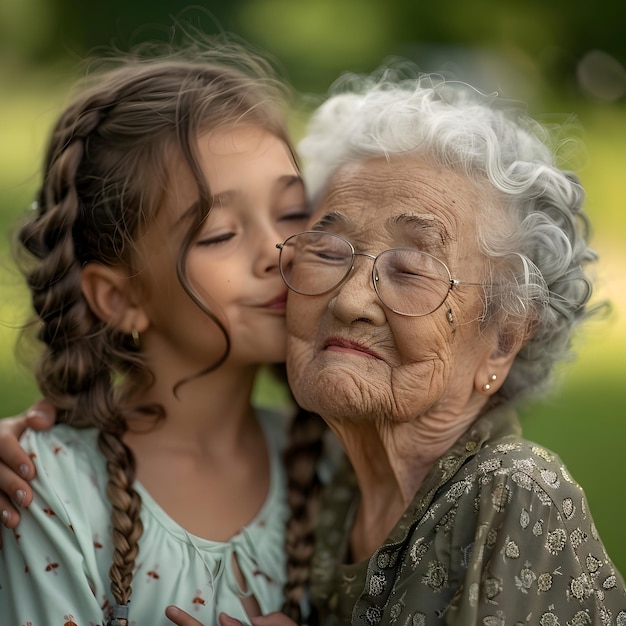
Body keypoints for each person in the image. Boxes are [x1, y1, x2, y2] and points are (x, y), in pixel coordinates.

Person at [3, 71, 626, 626]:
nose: (284, 259)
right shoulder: (338, 484)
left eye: (412, 270)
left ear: (506, 339)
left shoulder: (504, 495)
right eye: (329, 248)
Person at [0, 37, 325, 626]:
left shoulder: (333, 468)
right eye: (220, 234)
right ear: (121, 298)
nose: (278, 251)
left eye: (293, 212)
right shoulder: (46, 489)